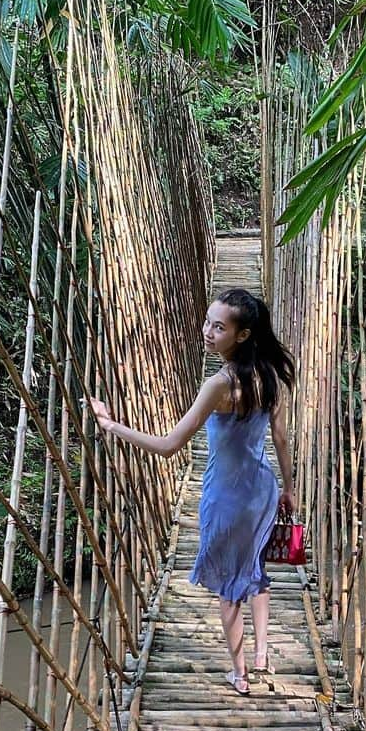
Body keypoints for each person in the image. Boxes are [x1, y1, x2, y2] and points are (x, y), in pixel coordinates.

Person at [90, 287, 296, 696]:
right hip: (262, 491)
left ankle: (239, 675)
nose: (207, 332)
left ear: (241, 335)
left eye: (218, 327)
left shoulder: (219, 384)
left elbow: (169, 445)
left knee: (228, 590)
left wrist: (111, 426)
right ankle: (261, 653)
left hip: (226, 498)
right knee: (255, 567)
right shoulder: (271, 374)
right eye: (207, 322)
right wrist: (289, 489)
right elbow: (282, 439)